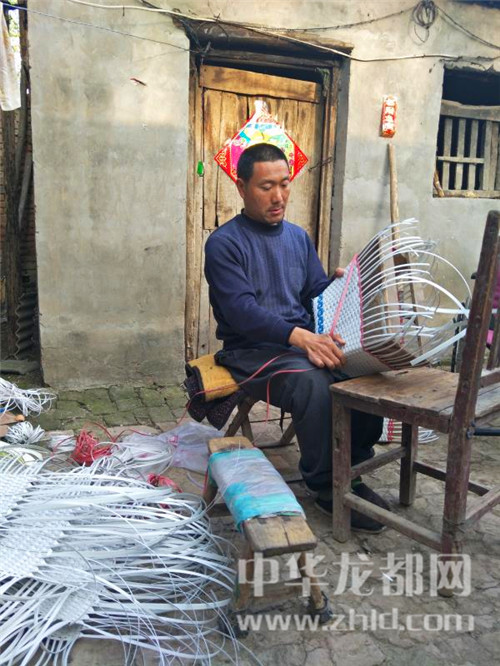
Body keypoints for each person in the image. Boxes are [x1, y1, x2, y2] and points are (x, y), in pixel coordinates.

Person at [204, 143, 389, 533]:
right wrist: (301, 337)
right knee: (313, 382)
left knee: (365, 370)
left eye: (285, 184)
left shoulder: (298, 238)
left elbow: (313, 293)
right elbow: (241, 312)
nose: (278, 196)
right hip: (251, 352)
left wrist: (337, 286)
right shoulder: (224, 244)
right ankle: (325, 486)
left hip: (299, 343)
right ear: (241, 188)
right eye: (266, 186)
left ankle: (352, 469)